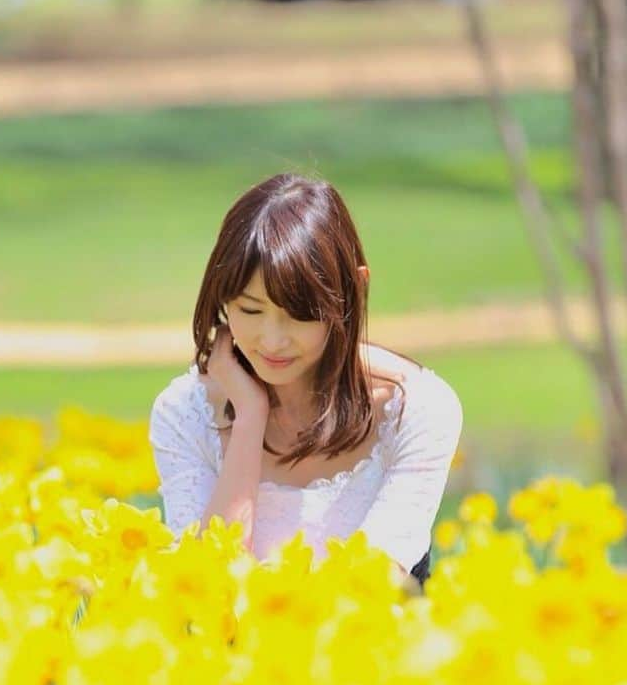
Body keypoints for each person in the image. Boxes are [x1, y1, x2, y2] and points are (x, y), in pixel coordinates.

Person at [147, 173, 463, 591]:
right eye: (251, 311)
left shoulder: (415, 408)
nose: (273, 340)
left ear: (355, 290)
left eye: (299, 313)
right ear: (223, 299)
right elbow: (207, 589)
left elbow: (378, 586)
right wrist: (249, 418)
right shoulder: (184, 414)